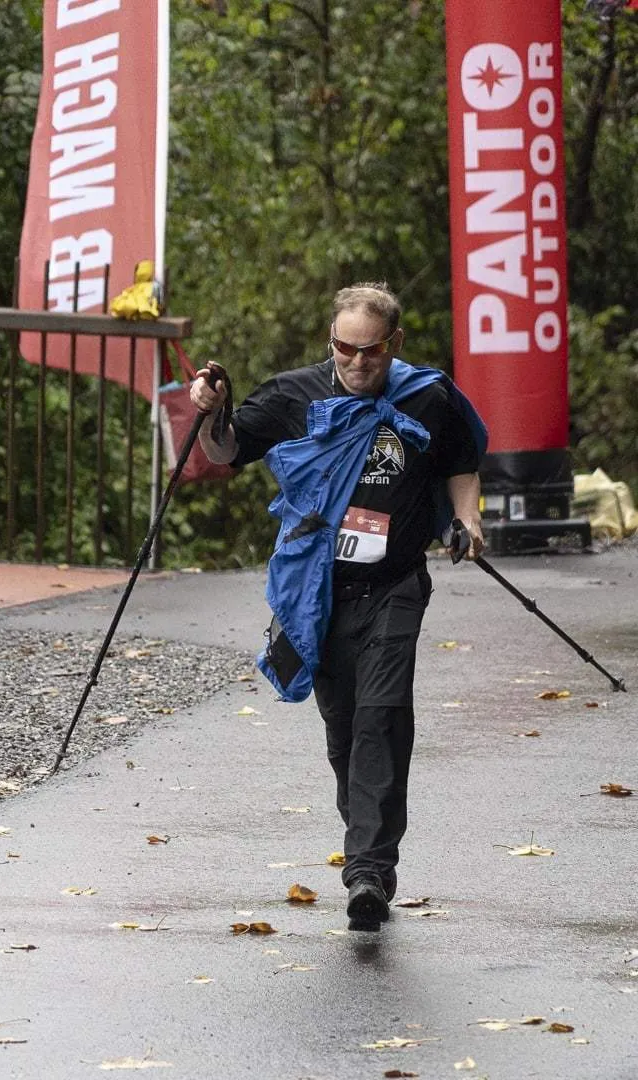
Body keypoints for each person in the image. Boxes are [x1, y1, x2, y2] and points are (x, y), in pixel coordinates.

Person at [190, 282, 486, 931]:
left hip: (396, 584)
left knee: (384, 715)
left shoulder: (424, 396)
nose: (357, 364)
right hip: (316, 592)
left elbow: (461, 460)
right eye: (345, 350)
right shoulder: (296, 395)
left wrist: (466, 518)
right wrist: (211, 410)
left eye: (371, 352)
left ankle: (368, 870)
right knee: (345, 727)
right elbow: (224, 450)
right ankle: (367, 844)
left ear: (395, 344)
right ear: (332, 342)